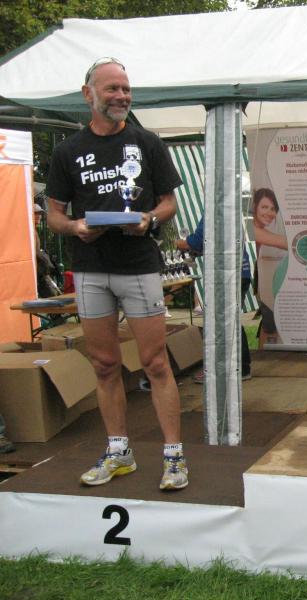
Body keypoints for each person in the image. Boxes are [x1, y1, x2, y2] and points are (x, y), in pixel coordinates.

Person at [45, 57, 188, 491]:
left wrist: (149, 219)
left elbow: (169, 203)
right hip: (91, 270)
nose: (122, 96)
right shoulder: (68, 151)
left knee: (155, 362)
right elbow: (54, 215)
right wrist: (75, 227)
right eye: (112, 89)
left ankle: (174, 458)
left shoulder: (148, 143)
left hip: (138, 265)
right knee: (105, 365)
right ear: (88, 94)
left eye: (126, 89)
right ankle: (119, 452)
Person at [175, 216, 253, 381]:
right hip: (241, 271)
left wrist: (179, 243)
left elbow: (196, 241)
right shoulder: (231, 209)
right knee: (231, 321)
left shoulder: (213, 209)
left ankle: (223, 370)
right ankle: (241, 367)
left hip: (227, 274)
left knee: (220, 323)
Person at [252, 188, 288, 346]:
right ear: (255, 206)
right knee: (270, 325)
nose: (269, 212)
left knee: (270, 323)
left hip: (270, 279)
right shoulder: (255, 230)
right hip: (265, 282)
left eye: (273, 208)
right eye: (264, 207)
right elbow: (286, 243)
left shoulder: (265, 228)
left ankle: (266, 353)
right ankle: (265, 355)